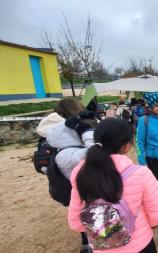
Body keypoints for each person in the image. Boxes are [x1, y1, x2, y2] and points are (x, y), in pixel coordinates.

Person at [68, 118, 158, 253]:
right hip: (140, 245)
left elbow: (76, 223)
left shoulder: (80, 174)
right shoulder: (141, 174)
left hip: (102, 247)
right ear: (127, 145)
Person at [36, 98, 92, 253]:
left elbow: (42, 164)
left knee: (80, 209)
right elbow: (94, 151)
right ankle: (92, 243)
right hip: (83, 179)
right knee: (91, 209)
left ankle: (86, 240)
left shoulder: (49, 132)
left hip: (64, 183)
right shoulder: (75, 128)